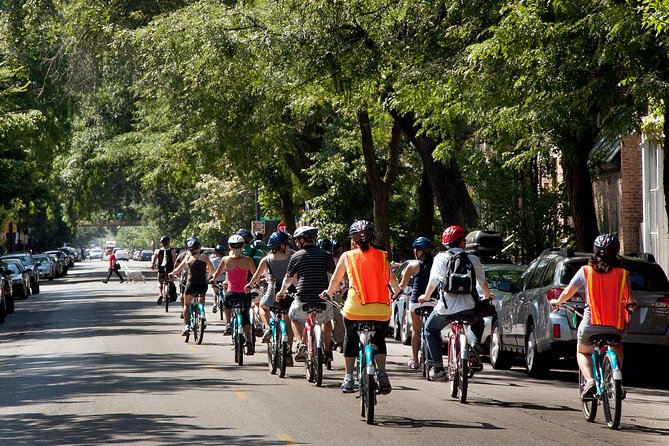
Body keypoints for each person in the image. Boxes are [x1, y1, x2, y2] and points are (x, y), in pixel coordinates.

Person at [550, 234, 636, 399]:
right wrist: (632, 305)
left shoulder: (586, 271)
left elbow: (568, 291)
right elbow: (629, 299)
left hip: (591, 323)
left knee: (583, 352)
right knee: (617, 346)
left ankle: (589, 381)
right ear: (616, 251)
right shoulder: (623, 274)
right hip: (615, 325)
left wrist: (558, 302)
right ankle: (615, 381)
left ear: (595, 251)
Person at [323, 220, 402, 393]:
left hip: (355, 310)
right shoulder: (383, 255)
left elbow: (336, 280)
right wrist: (397, 291)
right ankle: (382, 373)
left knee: (350, 338)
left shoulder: (347, 256)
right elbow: (392, 281)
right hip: (381, 310)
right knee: (379, 339)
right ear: (372, 237)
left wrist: (328, 293)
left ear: (353, 240)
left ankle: (349, 378)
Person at [419, 225, 495, 381]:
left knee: (430, 330)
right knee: (478, 323)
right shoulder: (473, 259)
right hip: (469, 307)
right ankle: (473, 348)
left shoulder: (440, 258)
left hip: (446, 309)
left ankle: (438, 367)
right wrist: (488, 296)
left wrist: (425, 297)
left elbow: (433, 282)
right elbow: (482, 282)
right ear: (462, 243)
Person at [276, 226, 335, 363]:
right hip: (322, 298)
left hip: (303, 298)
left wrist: (281, 292)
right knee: (327, 321)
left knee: (293, 317)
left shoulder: (296, 256)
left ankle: (300, 343)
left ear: (302, 240)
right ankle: (327, 351)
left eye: (297, 240)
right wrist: (338, 288)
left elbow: (288, 279)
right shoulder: (326, 255)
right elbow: (334, 276)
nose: (296, 243)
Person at [245, 232, 294, 354]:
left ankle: (267, 327)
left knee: (262, 305)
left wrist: (249, 285)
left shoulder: (266, 259)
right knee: (288, 323)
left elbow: (256, 276)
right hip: (289, 292)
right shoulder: (292, 257)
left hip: (273, 292)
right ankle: (288, 352)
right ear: (282, 246)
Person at [213, 234, 257, 354]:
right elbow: (255, 275)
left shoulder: (225, 260)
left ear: (229, 246)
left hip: (231, 293)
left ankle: (228, 324)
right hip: (244, 293)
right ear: (243, 246)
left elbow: (217, 273)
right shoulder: (248, 260)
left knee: (226, 303)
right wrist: (253, 284)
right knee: (246, 317)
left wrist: (213, 280)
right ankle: (249, 341)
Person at [399, 236, 436, 370]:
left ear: (420, 251)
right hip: (433, 301)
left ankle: (415, 359)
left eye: (415, 249)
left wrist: (396, 292)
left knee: (416, 329)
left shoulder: (413, 265)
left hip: (416, 303)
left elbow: (402, 285)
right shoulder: (436, 264)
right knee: (433, 330)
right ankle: (433, 358)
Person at [169, 237, 216, 336]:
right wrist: (208, 278)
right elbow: (212, 271)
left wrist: (171, 274)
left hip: (190, 285)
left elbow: (177, 270)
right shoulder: (205, 258)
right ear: (199, 248)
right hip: (202, 285)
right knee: (201, 297)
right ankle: (202, 314)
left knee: (186, 305)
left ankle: (186, 326)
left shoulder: (188, 258)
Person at [151, 236, 178, 305]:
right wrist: (176, 270)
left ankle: (160, 294)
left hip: (161, 270)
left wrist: (153, 265)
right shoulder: (172, 251)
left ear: (161, 243)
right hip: (170, 271)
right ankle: (169, 293)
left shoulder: (157, 251)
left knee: (160, 282)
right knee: (171, 282)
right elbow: (175, 262)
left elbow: (154, 260)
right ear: (168, 242)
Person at [210, 244, 227, 313]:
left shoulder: (212, 260)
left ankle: (214, 304)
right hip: (225, 279)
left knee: (215, 292)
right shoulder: (226, 259)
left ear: (216, 253)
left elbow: (210, 270)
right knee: (226, 292)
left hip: (216, 279)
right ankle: (225, 303)